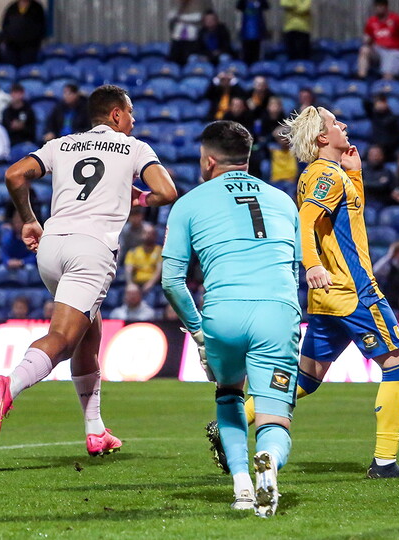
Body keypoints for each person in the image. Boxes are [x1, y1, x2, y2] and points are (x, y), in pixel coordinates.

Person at [210, 106, 399, 481]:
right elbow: (307, 221)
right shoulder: (327, 176)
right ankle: (385, 463)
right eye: (334, 123)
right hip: (352, 291)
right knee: (396, 365)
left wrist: (355, 176)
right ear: (323, 138)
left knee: (306, 378)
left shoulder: (322, 174)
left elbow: (343, 222)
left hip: (328, 297)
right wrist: (311, 265)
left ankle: (230, 419)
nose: (343, 125)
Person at [0, 84, 177, 455]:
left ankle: (95, 430)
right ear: (117, 114)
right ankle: (12, 384)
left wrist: (28, 220)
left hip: (52, 246)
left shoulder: (61, 144)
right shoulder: (135, 148)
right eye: (130, 113)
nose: (134, 121)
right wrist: (141, 197)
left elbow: (14, 175)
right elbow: (167, 192)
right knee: (64, 339)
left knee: (91, 331)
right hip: (91, 250)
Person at [164, 120, 301, 517]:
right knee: (275, 417)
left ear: (208, 160)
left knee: (229, 393)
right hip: (277, 309)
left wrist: (199, 333)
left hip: (222, 312)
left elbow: (172, 282)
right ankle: (269, 464)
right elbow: (294, 271)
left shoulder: (188, 202)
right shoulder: (283, 200)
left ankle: (241, 485)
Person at [358, 0, 399, 79]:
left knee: (387, 75)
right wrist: (366, 40)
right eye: (377, 6)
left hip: (393, 51)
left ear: (386, 7)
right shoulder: (371, 21)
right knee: (364, 50)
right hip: (377, 50)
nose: (379, 8)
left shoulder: (397, 19)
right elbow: (368, 37)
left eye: (381, 6)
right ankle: (361, 78)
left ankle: (387, 87)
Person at [0, 0, 46, 67]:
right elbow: (5, 25)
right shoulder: (12, 7)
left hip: (29, 49)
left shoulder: (37, 8)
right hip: (12, 48)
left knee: (26, 72)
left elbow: (41, 27)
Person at [168, 0, 212, 65]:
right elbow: (171, 16)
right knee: (174, 59)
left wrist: (181, 19)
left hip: (191, 40)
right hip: (178, 39)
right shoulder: (177, 7)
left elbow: (199, 17)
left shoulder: (200, 5)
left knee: (189, 59)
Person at [124, 223, 162, 292]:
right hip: (137, 283)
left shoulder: (160, 251)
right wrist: (130, 284)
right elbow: (128, 270)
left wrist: (150, 284)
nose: (148, 235)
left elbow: (158, 271)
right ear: (141, 235)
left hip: (154, 285)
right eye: (145, 233)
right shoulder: (133, 252)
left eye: (151, 233)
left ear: (155, 235)